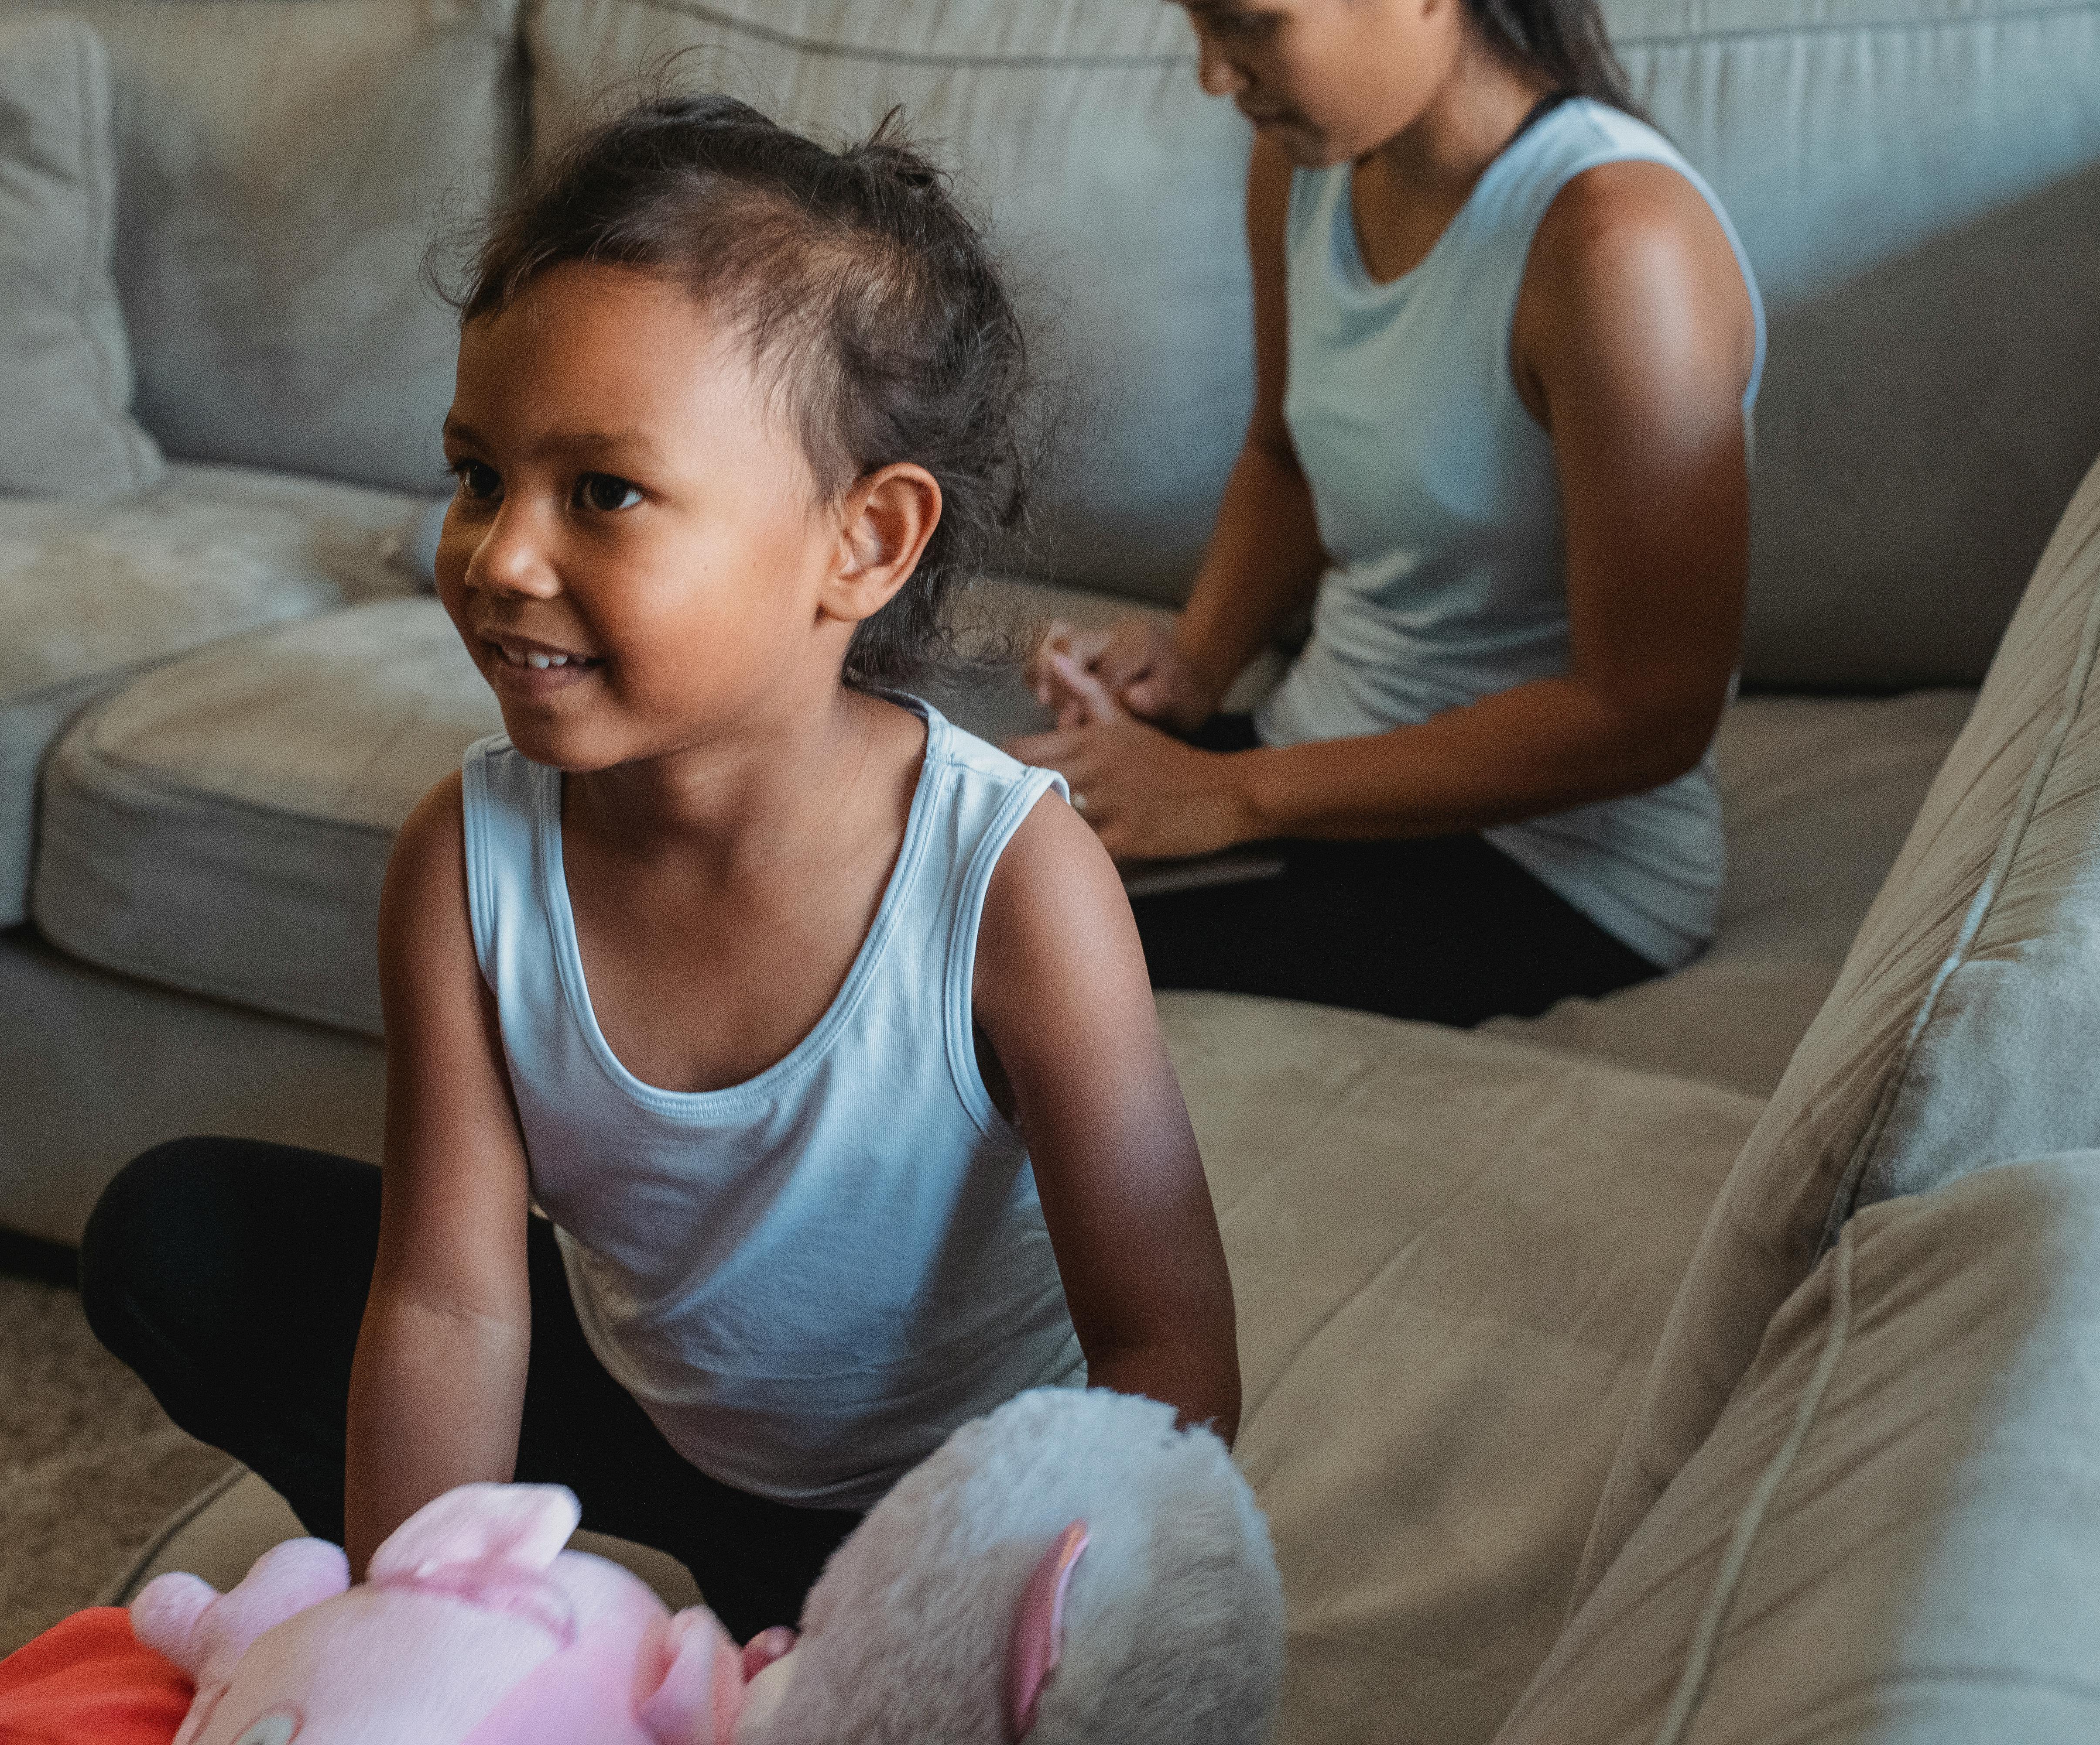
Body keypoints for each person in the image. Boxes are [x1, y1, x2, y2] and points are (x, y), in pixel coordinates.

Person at [79, 95, 1240, 1642]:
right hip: (663, 1433)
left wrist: (999, 1626)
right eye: (478, 475)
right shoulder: (466, 861)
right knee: (175, 1237)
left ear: (865, 543)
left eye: (603, 492)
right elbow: (454, 1298)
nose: (499, 558)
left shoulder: (1008, 877)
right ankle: (553, 1608)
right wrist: (415, 1638)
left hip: (939, 1520)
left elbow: (1170, 1360)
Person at [1011, 0, 1764, 1029]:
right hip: (1313, 757)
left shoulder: (1616, 246)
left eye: (1249, 25)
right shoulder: (1303, 171)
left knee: (1001, 985)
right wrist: (1190, 669)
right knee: (919, 850)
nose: (1214, 77)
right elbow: (1284, 458)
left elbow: (1648, 713)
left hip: (1546, 869)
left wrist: (1232, 794)